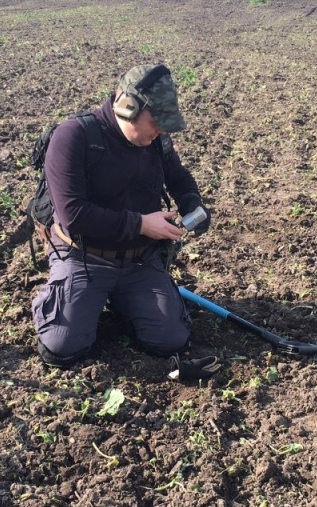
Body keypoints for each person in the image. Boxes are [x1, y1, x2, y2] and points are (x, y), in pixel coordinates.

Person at [31, 64, 212, 373]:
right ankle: (62, 296)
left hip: (138, 260)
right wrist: (142, 224)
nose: (161, 131)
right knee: (61, 347)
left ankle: (120, 300)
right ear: (126, 106)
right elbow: (74, 215)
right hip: (83, 255)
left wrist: (192, 203)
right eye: (155, 121)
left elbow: (178, 177)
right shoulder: (73, 137)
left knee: (170, 340)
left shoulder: (156, 141)